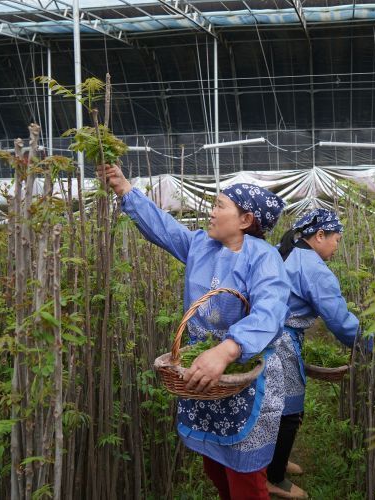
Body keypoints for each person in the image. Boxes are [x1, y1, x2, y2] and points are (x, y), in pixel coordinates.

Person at [100, 164, 290, 500]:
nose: (211, 212)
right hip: (204, 372)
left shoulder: (264, 258)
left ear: (245, 220)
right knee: (214, 464)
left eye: (220, 206)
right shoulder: (201, 245)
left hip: (244, 376)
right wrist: (124, 190)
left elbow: (270, 310)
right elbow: (165, 229)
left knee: (244, 474)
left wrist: (228, 350)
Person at [267, 208, 365, 499]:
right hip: (280, 342)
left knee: (269, 405)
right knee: (289, 410)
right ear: (319, 236)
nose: (337, 245)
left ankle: (275, 462)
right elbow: (339, 321)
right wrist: (370, 342)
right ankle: (274, 478)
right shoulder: (313, 268)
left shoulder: (282, 251)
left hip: (264, 337)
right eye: (336, 238)